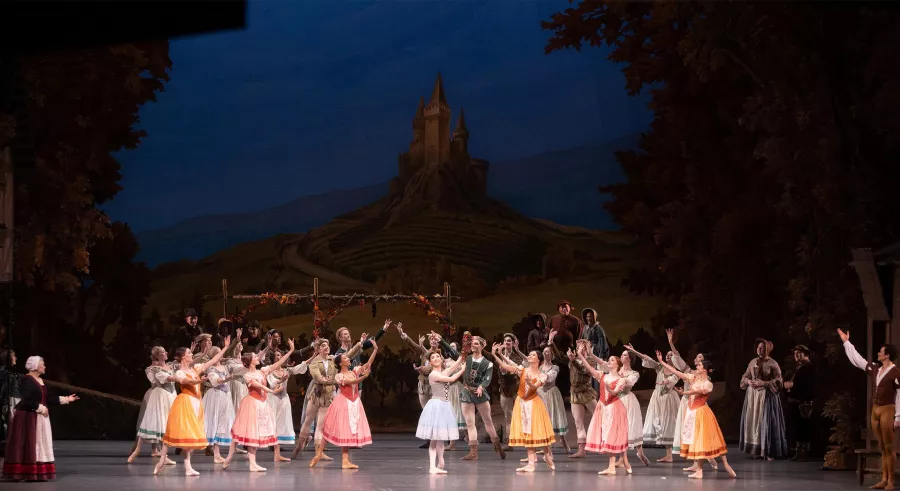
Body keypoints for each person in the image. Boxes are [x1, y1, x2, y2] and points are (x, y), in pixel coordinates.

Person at [154, 336, 231, 476]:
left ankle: (188, 466)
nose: (191, 354)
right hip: (185, 403)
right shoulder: (179, 372)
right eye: (189, 353)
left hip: (196, 403)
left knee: (190, 437)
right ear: (183, 357)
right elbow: (185, 381)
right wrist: (197, 381)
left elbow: (213, 361)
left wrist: (226, 347)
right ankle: (161, 460)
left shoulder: (196, 368)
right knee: (176, 433)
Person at [654, 350, 736, 479]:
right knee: (696, 440)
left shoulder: (707, 383)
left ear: (704, 369)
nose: (697, 366)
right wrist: (662, 362)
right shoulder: (693, 378)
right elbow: (678, 373)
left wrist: (684, 393)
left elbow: (696, 391)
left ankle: (725, 464)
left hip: (701, 413)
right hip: (691, 413)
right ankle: (699, 470)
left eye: (699, 365)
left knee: (709, 438)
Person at [839, 328, 900, 490]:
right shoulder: (875, 369)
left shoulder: (895, 373)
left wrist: (898, 417)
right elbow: (858, 360)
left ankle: (891, 481)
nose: (878, 353)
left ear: (887, 355)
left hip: (888, 409)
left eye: (881, 352)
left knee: (889, 446)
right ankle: (883, 478)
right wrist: (846, 342)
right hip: (875, 410)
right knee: (881, 446)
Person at [2, 356, 79, 482]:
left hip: (39, 417)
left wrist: (66, 399)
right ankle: (25, 472)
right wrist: (41, 408)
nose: (45, 367)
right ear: (35, 366)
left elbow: (47, 398)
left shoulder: (40, 381)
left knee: (39, 443)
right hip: (28, 417)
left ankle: (38, 471)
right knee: (30, 444)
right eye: (42, 364)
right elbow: (26, 399)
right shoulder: (27, 380)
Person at [222, 340, 295, 472]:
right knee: (242, 433)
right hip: (251, 404)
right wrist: (271, 391)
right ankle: (229, 456)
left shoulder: (262, 371)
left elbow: (277, 363)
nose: (258, 358)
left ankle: (252, 463)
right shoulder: (247, 375)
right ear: (249, 361)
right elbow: (258, 385)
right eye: (255, 357)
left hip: (261, 404)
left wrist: (290, 350)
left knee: (253, 434)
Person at [491, 343, 556, 473]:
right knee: (527, 431)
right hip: (522, 403)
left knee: (538, 431)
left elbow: (534, 387)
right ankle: (531, 463)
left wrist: (528, 382)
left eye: (532, 355)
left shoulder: (542, 375)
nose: (529, 356)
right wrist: (495, 354)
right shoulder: (523, 370)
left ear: (538, 359)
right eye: (529, 354)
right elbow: (505, 366)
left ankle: (547, 454)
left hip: (534, 404)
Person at [320, 341, 379, 469]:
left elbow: (368, 364)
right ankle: (320, 452)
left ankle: (345, 461)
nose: (348, 359)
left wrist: (375, 349)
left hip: (354, 402)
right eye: (346, 358)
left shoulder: (354, 371)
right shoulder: (339, 376)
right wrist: (364, 377)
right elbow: (350, 382)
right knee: (339, 428)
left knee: (349, 430)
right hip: (343, 403)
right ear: (341, 363)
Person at [625, 344, 680, 462]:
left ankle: (670, 454)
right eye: (668, 355)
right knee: (659, 422)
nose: (669, 356)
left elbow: (672, 379)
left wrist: (666, 381)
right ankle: (668, 455)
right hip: (657, 398)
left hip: (668, 398)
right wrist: (634, 351)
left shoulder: (676, 371)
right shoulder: (660, 367)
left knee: (668, 424)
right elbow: (647, 359)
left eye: (671, 355)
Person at [577, 351, 629, 475]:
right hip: (603, 407)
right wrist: (580, 355)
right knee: (605, 435)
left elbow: (615, 392)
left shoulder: (621, 380)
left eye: (612, 360)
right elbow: (589, 368)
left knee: (611, 435)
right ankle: (614, 465)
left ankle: (614, 465)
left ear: (617, 364)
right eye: (609, 360)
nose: (609, 361)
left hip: (614, 407)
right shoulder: (603, 376)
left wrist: (608, 388)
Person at [456, 334, 506, 461]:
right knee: (470, 423)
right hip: (467, 391)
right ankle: (473, 452)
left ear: (482, 346)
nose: (473, 345)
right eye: (472, 343)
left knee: (487, 421)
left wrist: (481, 387)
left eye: (476, 343)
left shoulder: (487, 363)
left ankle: (497, 445)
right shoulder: (466, 359)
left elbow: (487, 378)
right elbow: (452, 352)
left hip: (480, 393)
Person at [416, 350, 466, 473]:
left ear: (441, 359)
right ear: (431, 362)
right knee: (434, 438)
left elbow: (452, 367)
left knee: (441, 437)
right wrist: (464, 369)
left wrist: (462, 358)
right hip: (436, 406)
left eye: (438, 356)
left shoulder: (442, 372)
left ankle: (441, 463)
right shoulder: (433, 375)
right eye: (433, 357)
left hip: (445, 405)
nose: (436, 358)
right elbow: (452, 377)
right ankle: (432, 467)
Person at [739, 338, 788, 460]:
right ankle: (756, 449)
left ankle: (768, 450)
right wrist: (748, 381)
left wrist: (764, 383)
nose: (759, 350)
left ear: (767, 350)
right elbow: (744, 377)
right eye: (758, 348)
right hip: (752, 397)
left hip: (766, 396)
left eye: (762, 348)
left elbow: (779, 381)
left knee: (765, 422)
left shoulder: (773, 363)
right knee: (753, 422)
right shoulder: (752, 362)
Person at [128, 346, 177, 464]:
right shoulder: (152, 369)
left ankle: (157, 451)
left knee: (163, 422)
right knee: (153, 421)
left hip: (169, 395)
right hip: (157, 395)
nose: (165, 353)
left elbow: (185, 366)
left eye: (165, 351)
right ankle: (139, 449)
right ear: (157, 355)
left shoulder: (170, 365)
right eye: (162, 352)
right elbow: (157, 380)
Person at [201, 347, 236, 464]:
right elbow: (216, 381)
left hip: (225, 396)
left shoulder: (225, 367)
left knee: (222, 423)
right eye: (218, 353)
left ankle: (217, 453)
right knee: (213, 423)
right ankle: (211, 451)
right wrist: (228, 379)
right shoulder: (211, 368)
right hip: (215, 396)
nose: (221, 354)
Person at [566, 340, 598, 458]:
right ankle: (582, 449)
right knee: (578, 422)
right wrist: (551, 343)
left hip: (586, 392)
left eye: (583, 347)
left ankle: (609, 443)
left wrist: (574, 360)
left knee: (600, 417)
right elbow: (559, 357)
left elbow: (583, 370)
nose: (580, 349)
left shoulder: (591, 360)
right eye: (579, 346)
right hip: (575, 393)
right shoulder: (573, 360)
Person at [784, 344, 815, 461]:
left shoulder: (808, 368)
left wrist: (791, 386)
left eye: (799, 353)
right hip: (795, 402)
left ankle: (803, 453)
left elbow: (804, 386)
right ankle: (798, 451)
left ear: (806, 354)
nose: (796, 355)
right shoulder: (799, 367)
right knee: (797, 428)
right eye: (795, 353)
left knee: (803, 428)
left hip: (803, 403)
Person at [496, 332, 526, 450]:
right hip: (504, 388)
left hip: (516, 387)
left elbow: (518, 370)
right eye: (505, 341)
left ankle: (526, 438)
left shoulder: (517, 356)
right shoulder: (498, 355)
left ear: (513, 343)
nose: (507, 343)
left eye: (509, 341)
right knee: (508, 416)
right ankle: (509, 442)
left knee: (521, 414)